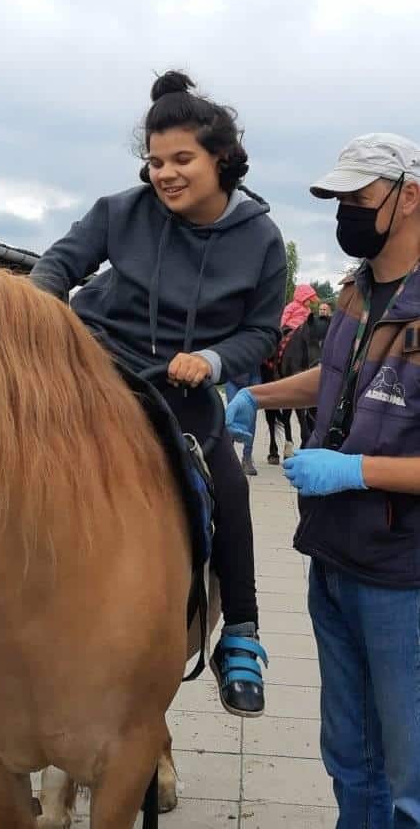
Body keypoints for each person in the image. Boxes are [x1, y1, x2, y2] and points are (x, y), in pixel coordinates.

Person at [31, 70, 286, 717]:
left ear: (221, 159)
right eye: (155, 162)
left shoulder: (261, 240)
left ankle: (243, 636)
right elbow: (58, 266)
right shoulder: (120, 211)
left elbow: (259, 331)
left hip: (181, 387)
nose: (165, 174)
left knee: (228, 483)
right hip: (91, 366)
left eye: (182, 159)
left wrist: (211, 359)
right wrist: (41, 311)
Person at [226, 132, 420, 826]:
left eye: (359, 198)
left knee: (412, 774)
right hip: (336, 559)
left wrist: (357, 470)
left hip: (405, 577)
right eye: (340, 200)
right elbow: (337, 378)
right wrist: (255, 394)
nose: (347, 213)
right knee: (351, 755)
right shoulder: (359, 293)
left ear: (410, 196)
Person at [225, 370, 261, 476]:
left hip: (254, 375)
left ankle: (247, 457)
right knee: (232, 413)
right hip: (233, 375)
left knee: (251, 416)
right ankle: (228, 455)